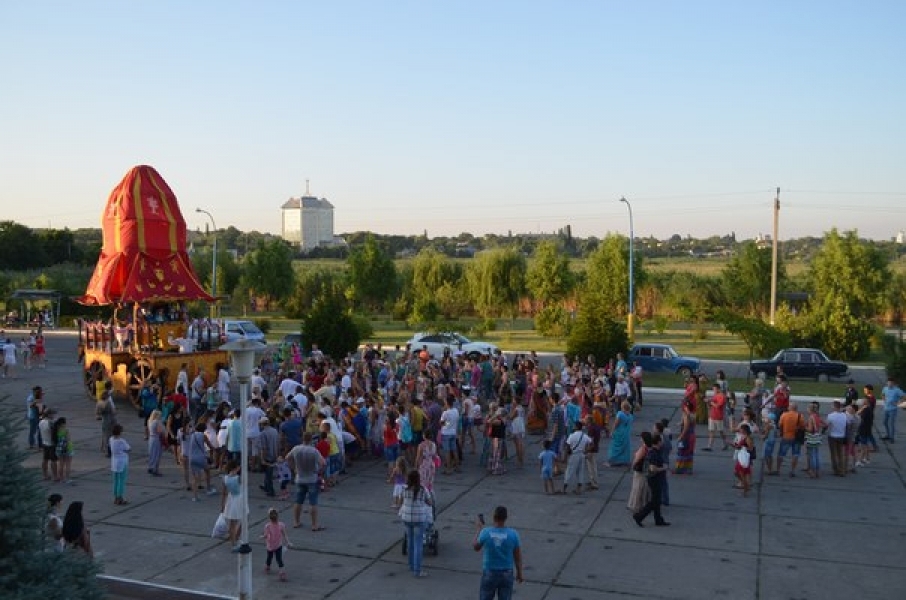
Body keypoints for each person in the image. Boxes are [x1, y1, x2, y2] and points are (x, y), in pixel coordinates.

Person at [473, 505, 523, 599]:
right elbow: (517, 556)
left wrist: (478, 530)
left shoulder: (485, 532)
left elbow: (476, 547)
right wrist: (520, 572)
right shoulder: (513, 534)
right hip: (507, 573)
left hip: (490, 572)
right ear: (506, 518)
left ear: (494, 517)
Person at [287, 431, 326, 531]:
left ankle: (296, 521)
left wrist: (293, 468)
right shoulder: (314, 451)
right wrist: (319, 472)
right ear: (311, 440)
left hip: (300, 477)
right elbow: (323, 463)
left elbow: (288, 458)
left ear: (302, 438)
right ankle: (314, 524)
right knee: (313, 502)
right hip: (312, 477)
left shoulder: (296, 449)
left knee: (298, 501)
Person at [399, 469, 432, 578]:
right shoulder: (423, 489)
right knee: (418, 544)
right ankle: (417, 571)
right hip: (419, 519)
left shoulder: (404, 488)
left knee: (410, 541)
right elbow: (429, 502)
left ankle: (411, 565)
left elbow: (400, 501)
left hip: (407, 517)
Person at [633, 434, 670, 527]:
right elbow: (652, 468)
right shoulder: (653, 453)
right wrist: (663, 468)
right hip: (654, 479)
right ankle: (639, 516)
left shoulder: (656, 451)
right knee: (654, 501)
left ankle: (658, 519)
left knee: (657, 501)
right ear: (657, 442)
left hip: (656, 479)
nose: (662, 442)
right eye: (661, 440)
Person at [261, 507, 293, 581]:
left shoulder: (267, 526)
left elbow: (265, 535)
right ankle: (281, 572)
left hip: (270, 545)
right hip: (278, 545)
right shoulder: (281, 525)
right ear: (278, 516)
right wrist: (288, 542)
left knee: (269, 557)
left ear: (269, 517)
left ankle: (267, 567)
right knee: (279, 559)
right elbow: (285, 535)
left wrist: (262, 536)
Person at [627, 432, 653, 514]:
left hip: (639, 471)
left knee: (637, 488)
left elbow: (637, 459)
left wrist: (633, 466)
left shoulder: (643, 448)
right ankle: (644, 504)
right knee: (645, 488)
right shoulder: (650, 448)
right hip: (646, 471)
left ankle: (636, 505)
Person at [776, 402, 804, 478]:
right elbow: (802, 427)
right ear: (796, 408)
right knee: (795, 454)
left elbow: (779, 425)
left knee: (781, 454)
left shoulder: (784, 415)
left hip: (786, 436)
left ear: (790, 408)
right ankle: (792, 471)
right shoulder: (800, 416)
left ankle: (778, 470)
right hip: (796, 437)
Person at [562, 421, 591, 494]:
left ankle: (564, 488)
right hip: (582, 454)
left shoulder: (572, 436)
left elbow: (567, 447)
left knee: (569, 471)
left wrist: (565, 457)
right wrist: (586, 451)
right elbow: (591, 443)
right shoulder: (584, 436)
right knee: (580, 471)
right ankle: (579, 489)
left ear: (576, 427)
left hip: (574, 455)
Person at [606, 401, 634, 467]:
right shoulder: (630, 416)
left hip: (619, 432)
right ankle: (624, 461)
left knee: (615, 446)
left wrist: (612, 431)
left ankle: (613, 461)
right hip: (626, 433)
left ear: (622, 407)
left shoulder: (620, 414)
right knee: (625, 446)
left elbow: (616, 424)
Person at [110, 423, 131, 505]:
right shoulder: (121, 441)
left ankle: (115, 497)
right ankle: (120, 497)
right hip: (122, 462)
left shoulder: (111, 439)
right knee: (121, 481)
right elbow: (128, 449)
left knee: (115, 480)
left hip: (114, 462)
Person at [704, 383, 729, 451]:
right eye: (713, 389)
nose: (713, 390)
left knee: (721, 431)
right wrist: (708, 402)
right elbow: (711, 405)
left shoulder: (722, 396)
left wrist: (710, 402)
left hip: (718, 417)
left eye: (714, 389)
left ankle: (726, 443)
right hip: (712, 415)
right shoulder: (715, 395)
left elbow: (718, 406)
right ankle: (709, 446)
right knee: (711, 431)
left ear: (718, 389)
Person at [674, 400, 696, 474]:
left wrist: (681, 436)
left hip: (686, 436)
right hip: (692, 435)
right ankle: (688, 468)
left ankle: (680, 468)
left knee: (682, 451)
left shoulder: (686, 415)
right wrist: (680, 423)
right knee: (688, 452)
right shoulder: (693, 414)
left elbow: (686, 427)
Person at [734, 424, 755, 496]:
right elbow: (739, 446)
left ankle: (745, 490)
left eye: (741, 429)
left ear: (744, 430)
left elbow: (751, 448)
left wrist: (743, 447)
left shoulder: (748, 438)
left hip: (744, 458)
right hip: (741, 457)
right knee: (737, 473)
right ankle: (745, 486)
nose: (739, 430)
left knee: (742, 474)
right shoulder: (743, 437)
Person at [881, 377, 904, 442]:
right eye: (888, 382)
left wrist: (898, 402)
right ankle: (887, 435)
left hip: (893, 410)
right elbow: (882, 394)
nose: (890, 384)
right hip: (886, 409)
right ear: (887, 383)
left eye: (891, 383)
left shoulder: (897, 390)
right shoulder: (885, 388)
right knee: (884, 422)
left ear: (893, 383)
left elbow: (904, 397)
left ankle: (892, 438)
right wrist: (884, 399)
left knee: (891, 423)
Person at [39, 408, 59, 481]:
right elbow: (54, 434)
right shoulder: (51, 423)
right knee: (53, 460)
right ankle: (55, 476)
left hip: (44, 442)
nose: (54, 415)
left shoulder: (41, 422)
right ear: (49, 414)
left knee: (45, 459)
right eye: (53, 414)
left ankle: (45, 475)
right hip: (52, 444)